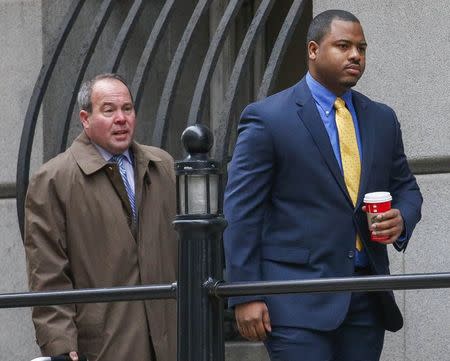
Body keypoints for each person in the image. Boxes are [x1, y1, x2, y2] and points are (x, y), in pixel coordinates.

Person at [223, 9, 423, 361]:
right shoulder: (268, 118)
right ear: (313, 50)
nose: (355, 56)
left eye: (361, 48)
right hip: (295, 301)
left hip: (366, 297)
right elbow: (241, 212)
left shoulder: (381, 118)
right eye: (343, 46)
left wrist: (401, 218)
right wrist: (245, 293)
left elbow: (406, 187)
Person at [24, 73, 177, 361]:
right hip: (103, 346)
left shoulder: (163, 167)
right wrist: (59, 346)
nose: (121, 118)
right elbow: (47, 272)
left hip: (169, 341)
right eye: (109, 110)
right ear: (85, 118)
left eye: (127, 109)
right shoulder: (54, 179)